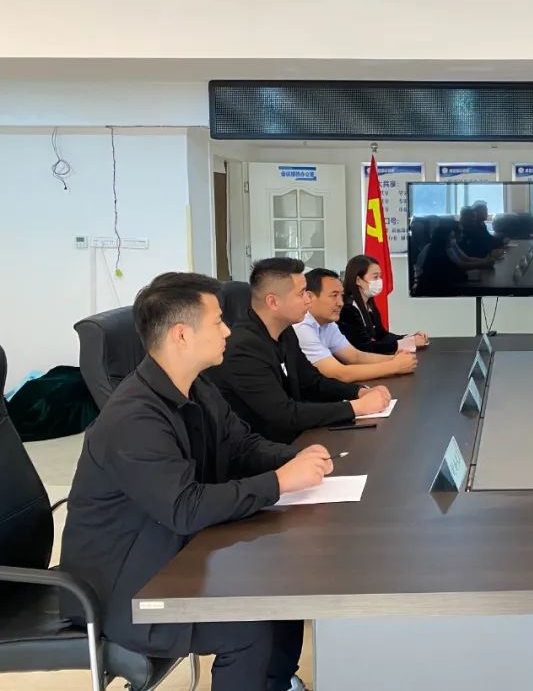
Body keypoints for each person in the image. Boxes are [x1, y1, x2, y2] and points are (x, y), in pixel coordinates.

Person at [59, 272, 333, 691]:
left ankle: (276, 683)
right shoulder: (134, 418)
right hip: (124, 589)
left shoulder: (195, 387)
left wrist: (297, 459)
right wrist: (279, 482)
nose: (228, 331)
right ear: (182, 335)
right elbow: (185, 508)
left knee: (281, 585)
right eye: (218, 322)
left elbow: (242, 446)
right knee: (247, 629)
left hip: (171, 553)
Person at [206, 258, 391, 444]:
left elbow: (311, 382)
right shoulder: (243, 349)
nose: (308, 300)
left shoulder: (286, 331)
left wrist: (357, 392)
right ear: (273, 302)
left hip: (293, 439)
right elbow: (284, 414)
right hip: (264, 448)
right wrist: (356, 408)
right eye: (301, 293)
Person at [296, 267, 419, 379]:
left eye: (341, 295)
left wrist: (395, 359)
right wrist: (395, 366)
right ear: (309, 297)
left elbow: (354, 356)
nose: (340, 303)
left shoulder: (327, 323)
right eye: (334, 295)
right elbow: (338, 373)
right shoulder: (302, 327)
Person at [338, 254, 430, 355]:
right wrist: (408, 343)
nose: (379, 281)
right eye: (375, 277)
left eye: (380, 276)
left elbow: (381, 335)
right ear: (358, 280)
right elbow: (365, 347)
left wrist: (409, 338)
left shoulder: (369, 304)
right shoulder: (348, 309)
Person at [413, 221, 495, 295]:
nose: (453, 240)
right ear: (443, 238)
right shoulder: (437, 253)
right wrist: (484, 263)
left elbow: (465, 260)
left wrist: (486, 261)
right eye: (451, 237)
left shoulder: (447, 247)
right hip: (432, 291)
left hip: (439, 288)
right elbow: (460, 266)